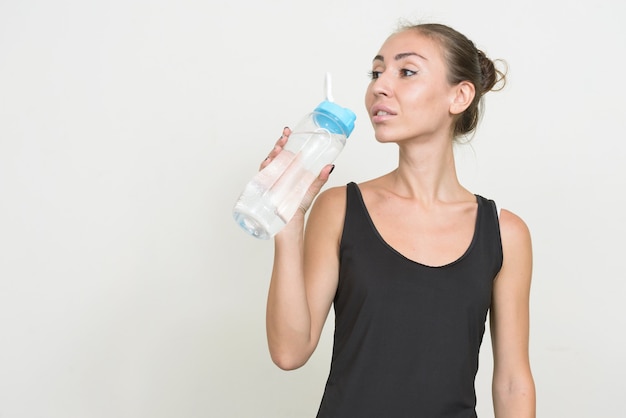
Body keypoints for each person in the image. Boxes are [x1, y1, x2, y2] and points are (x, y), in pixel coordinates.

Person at [262, 22, 535, 418]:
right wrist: (287, 228)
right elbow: (289, 351)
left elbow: (512, 381)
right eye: (376, 73)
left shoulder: (505, 233)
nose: (379, 86)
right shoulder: (340, 208)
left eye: (406, 72)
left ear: (459, 96)